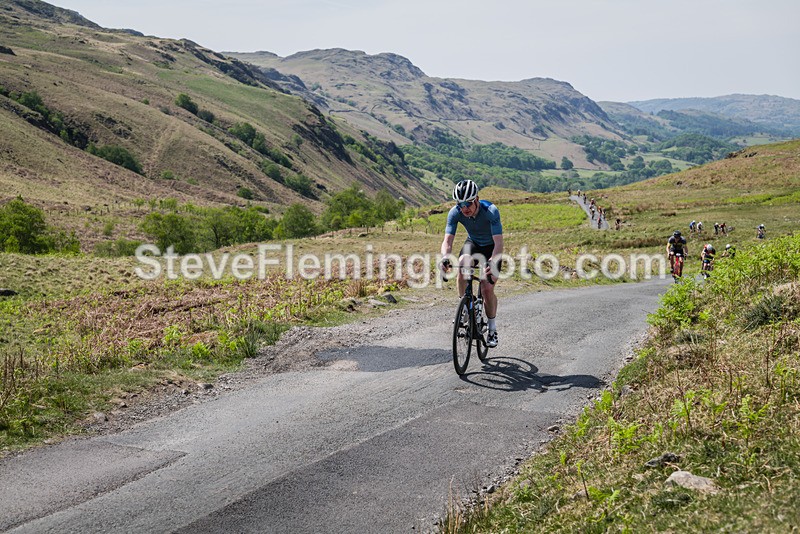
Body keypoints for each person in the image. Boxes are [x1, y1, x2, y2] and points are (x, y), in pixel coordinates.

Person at [439, 179, 503, 348]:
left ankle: (492, 328)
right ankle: (466, 307)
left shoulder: (491, 211)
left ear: (476, 199)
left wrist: (492, 262)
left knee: (486, 288)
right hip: (473, 244)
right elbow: (448, 241)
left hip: (491, 248)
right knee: (461, 265)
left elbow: (498, 243)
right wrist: (445, 258)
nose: (464, 208)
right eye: (460, 204)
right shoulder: (455, 213)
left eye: (468, 203)